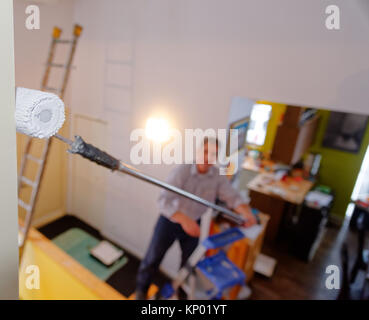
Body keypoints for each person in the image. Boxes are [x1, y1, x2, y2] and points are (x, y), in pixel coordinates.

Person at [135, 137, 256, 299]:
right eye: (205, 152)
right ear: (199, 152)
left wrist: (246, 213)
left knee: (189, 264)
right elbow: (163, 200)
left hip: (193, 224)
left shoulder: (217, 177)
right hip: (170, 221)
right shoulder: (182, 171)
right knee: (153, 258)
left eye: (213, 154)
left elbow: (233, 197)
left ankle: (180, 293)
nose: (208, 157)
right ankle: (141, 291)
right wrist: (184, 220)